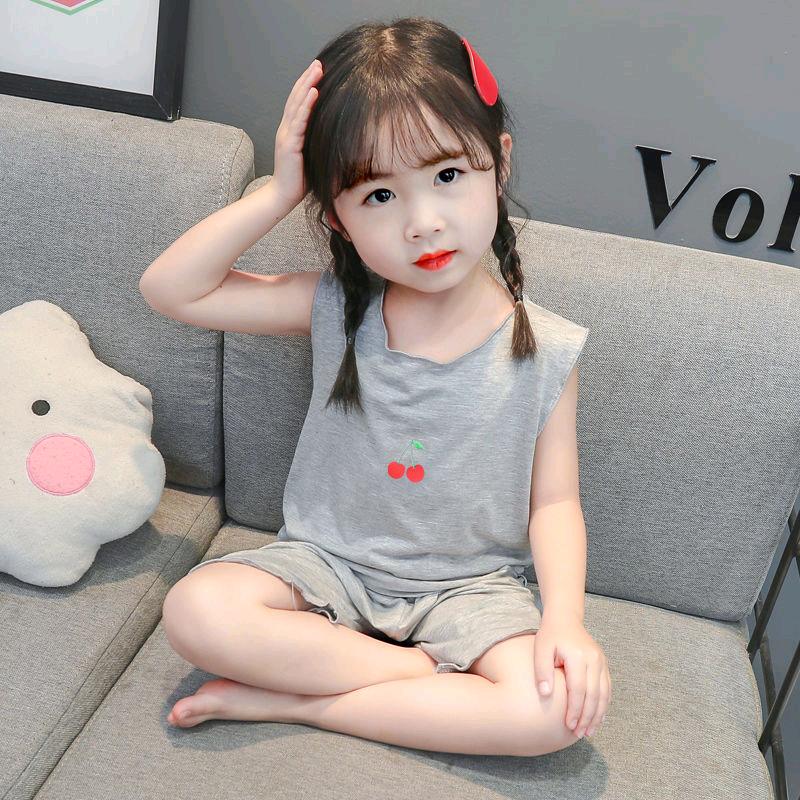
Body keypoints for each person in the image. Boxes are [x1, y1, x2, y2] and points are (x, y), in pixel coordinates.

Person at [140, 16, 611, 757]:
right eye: (379, 196)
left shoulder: (547, 349)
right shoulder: (336, 308)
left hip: (469, 590)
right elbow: (171, 289)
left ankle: (303, 704)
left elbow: (554, 503)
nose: (424, 224)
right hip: (327, 569)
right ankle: (415, 678)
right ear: (336, 217)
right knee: (196, 611)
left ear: (499, 164)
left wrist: (565, 622)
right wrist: (279, 192)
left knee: (554, 717)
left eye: (448, 177)